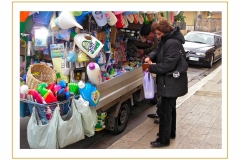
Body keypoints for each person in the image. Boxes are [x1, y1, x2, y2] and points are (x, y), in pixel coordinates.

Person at [144, 18, 188, 147]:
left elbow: (167, 65)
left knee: (164, 111)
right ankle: (170, 133)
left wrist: (150, 67)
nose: (157, 36)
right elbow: (158, 51)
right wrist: (150, 56)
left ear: (164, 31)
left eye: (158, 33)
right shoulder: (166, 40)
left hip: (170, 82)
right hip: (169, 82)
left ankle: (163, 139)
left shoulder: (172, 42)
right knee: (169, 109)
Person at [137, 23, 160, 124]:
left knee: (162, 94)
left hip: (165, 74)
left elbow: (156, 49)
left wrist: (153, 65)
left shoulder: (159, 38)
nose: (147, 39)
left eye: (147, 36)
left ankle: (161, 115)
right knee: (159, 93)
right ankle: (159, 112)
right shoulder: (158, 38)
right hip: (160, 69)